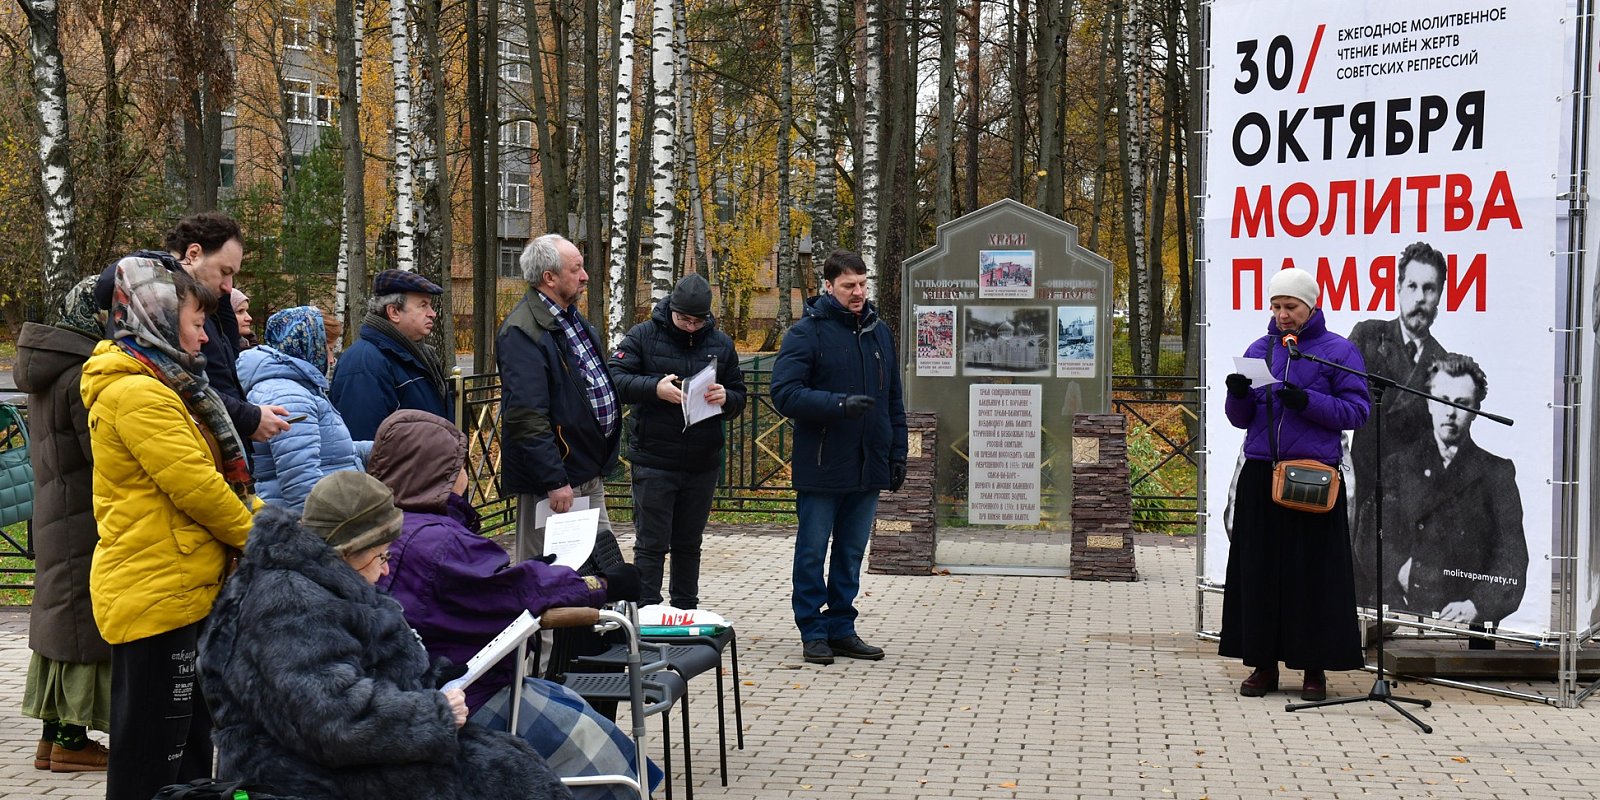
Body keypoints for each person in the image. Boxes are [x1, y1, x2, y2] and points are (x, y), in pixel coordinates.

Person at [198, 472, 571, 800]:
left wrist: (438, 678)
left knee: (510, 764)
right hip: (302, 776)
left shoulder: (317, 581)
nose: (385, 570)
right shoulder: (289, 602)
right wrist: (433, 712)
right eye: (381, 556)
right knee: (503, 777)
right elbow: (333, 719)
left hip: (335, 759)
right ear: (347, 552)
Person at [368, 410, 653, 800]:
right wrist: (600, 585)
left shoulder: (387, 526)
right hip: (463, 694)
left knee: (565, 700)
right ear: (440, 475)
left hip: (416, 693)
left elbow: (494, 587)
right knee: (601, 756)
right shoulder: (436, 541)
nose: (469, 476)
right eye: (461, 465)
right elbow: (515, 592)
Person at [81, 259, 260, 800]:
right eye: (196, 320)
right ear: (156, 316)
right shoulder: (137, 393)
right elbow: (200, 490)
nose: (205, 334)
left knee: (184, 754)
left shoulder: (165, 383)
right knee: (151, 760)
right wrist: (266, 538)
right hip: (155, 592)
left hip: (177, 586)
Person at [1220, 267, 1371, 702]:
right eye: (1276, 306)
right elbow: (1241, 419)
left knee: (1311, 576)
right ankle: (1262, 665)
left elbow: (1357, 412)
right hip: (1261, 472)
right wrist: (1237, 394)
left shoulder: (1336, 352)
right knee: (1260, 572)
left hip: (1311, 477)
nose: (1282, 314)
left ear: (1312, 305)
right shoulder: (1260, 349)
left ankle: (1313, 670)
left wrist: (1309, 402)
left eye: (1291, 306)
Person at [771, 249, 907, 665]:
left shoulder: (878, 331)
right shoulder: (806, 333)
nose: (858, 293)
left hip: (868, 463)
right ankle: (812, 630)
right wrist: (837, 404)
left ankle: (842, 627)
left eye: (863, 284)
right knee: (812, 552)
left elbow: (893, 399)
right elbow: (784, 393)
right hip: (823, 463)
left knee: (850, 553)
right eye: (849, 285)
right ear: (828, 286)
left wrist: (897, 452)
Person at [14, 278, 111, 772]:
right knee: (81, 631)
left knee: (62, 626)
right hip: (82, 515)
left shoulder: (51, 370)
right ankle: (72, 741)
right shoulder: (82, 375)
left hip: (56, 511)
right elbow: (100, 453)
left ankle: (53, 740)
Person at [608, 272, 747, 609]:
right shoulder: (643, 335)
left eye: (697, 321)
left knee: (688, 543)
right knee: (651, 544)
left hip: (702, 462)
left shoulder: (721, 344)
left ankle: (686, 612)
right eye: (683, 319)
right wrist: (655, 389)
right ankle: (647, 614)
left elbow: (739, 396)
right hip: (654, 459)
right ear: (671, 308)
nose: (689, 327)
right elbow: (614, 377)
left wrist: (725, 397)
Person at [92, 212, 290, 444]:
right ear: (193, 253)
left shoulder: (202, 301)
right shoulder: (163, 305)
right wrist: (249, 417)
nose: (229, 286)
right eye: (224, 272)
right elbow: (181, 385)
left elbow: (218, 376)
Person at [1367, 354, 1527, 626]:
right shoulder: (1398, 465)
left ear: (1476, 408)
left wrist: (1477, 605)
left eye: (1461, 404)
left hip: (1466, 617)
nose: (1450, 413)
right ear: (1429, 402)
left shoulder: (1496, 473)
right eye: (1442, 401)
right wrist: (1400, 572)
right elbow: (1370, 534)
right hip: (1402, 609)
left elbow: (1511, 555)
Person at [497, 234, 625, 572]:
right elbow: (526, 416)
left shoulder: (571, 318)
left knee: (604, 570)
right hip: (554, 483)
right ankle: (545, 630)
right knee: (545, 575)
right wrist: (554, 479)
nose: (585, 276)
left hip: (587, 472)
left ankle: (600, 627)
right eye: (576, 269)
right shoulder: (522, 330)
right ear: (549, 278)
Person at [1347, 241, 1449, 603]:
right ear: (1398, 289)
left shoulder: (1446, 366)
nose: (1420, 297)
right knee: (1356, 599)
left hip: (1406, 510)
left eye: (1430, 288)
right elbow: (1340, 393)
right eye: (1413, 286)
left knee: (1390, 602)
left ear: (1439, 297)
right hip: (1361, 494)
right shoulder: (1368, 336)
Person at [236, 306, 370, 513]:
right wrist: (332, 529)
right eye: (329, 349)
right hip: (311, 526)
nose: (332, 359)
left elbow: (330, 452)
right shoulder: (288, 395)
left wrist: (387, 446)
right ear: (309, 345)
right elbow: (301, 482)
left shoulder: (297, 388)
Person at [330, 269, 454, 440]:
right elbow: (364, 444)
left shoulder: (417, 355)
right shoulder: (364, 363)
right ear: (394, 312)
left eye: (430, 305)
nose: (432, 313)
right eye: (423, 305)